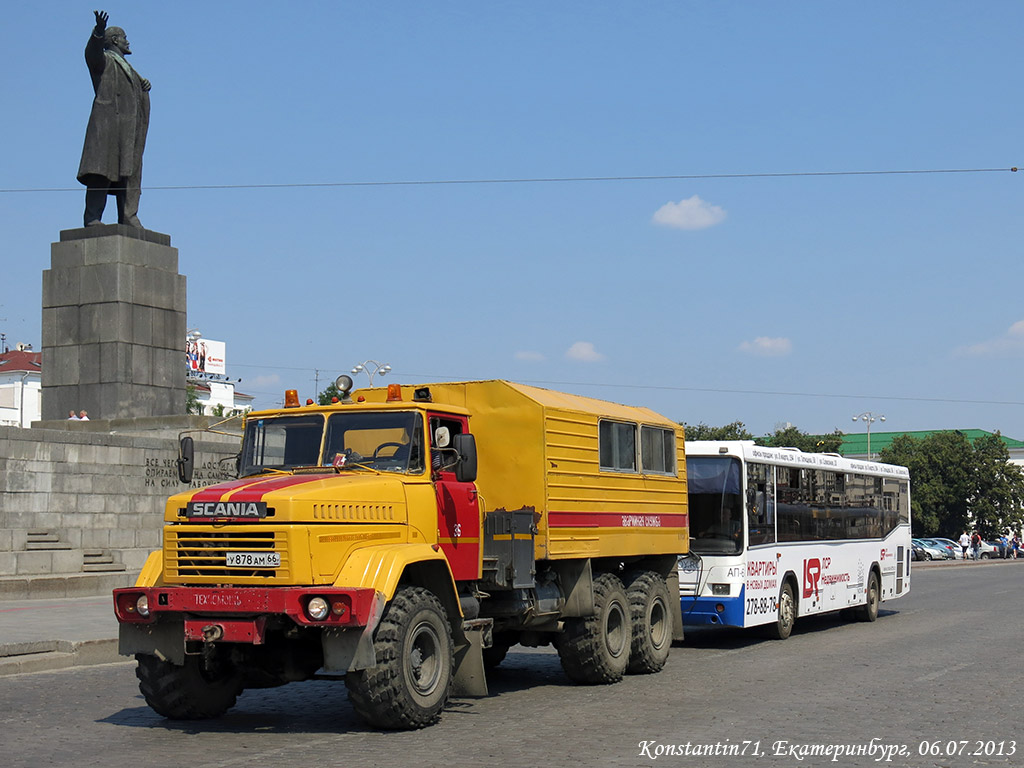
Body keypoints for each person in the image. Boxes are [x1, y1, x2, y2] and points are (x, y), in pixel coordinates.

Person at [77, 10, 151, 228]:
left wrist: (142, 86)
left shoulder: (131, 69)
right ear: (115, 41)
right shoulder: (105, 60)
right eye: (125, 38)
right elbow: (91, 55)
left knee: (129, 175)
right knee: (102, 171)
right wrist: (98, 32)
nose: (128, 42)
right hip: (108, 127)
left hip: (129, 131)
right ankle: (92, 218)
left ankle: (128, 216)